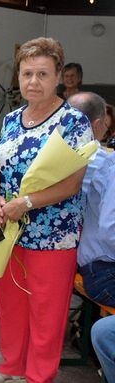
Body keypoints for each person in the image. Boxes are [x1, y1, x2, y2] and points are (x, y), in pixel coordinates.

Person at [0, 37, 93, 383]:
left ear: (58, 77)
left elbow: (72, 182)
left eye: (42, 74)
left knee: (47, 309)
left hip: (54, 234)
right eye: (27, 74)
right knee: (11, 304)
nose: (33, 81)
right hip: (12, 231)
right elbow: (1, 168)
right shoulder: (12, 119)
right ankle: (12, 367)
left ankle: (40, 381)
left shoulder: (73, 122)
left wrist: (25, 203)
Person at [67, 92, 115, 307]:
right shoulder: (102, 160)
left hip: (79, 254)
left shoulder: (47, 150)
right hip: (100, 267)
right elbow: (110, 230)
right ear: (97, 124)